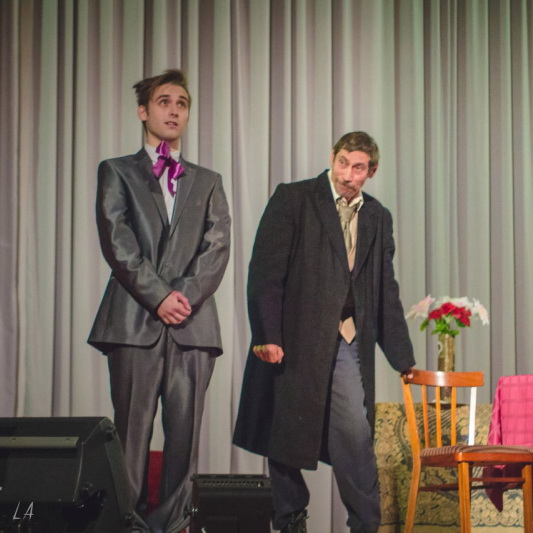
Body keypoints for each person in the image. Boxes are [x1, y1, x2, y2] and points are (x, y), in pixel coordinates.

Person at [233, 131, 415, 533]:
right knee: (285, 428)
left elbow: (385, 290)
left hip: (346, 336)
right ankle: (290, 519)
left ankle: (366, 525)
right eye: (343, 163)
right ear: (333, 158)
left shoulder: (377, 216)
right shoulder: (295, 198)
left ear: (372, 171)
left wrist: (403, 358)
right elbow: (265, 271)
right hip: (294, 335)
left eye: (358, 168)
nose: (348, 175)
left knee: (354, 431)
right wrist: (267, 334)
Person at [88, 69, 231, 533]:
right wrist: (158, 297)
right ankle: (127, 524)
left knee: (184, 440)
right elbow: (117, 241)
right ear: (143, 111)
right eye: (164, 101)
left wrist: (180, 297)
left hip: (192, 326)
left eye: (182, 103)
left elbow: (217, 247)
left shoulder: (208, 180)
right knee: (130, 435)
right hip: (134, 322)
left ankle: (172, 526)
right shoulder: (116, 171)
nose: (174, 110)